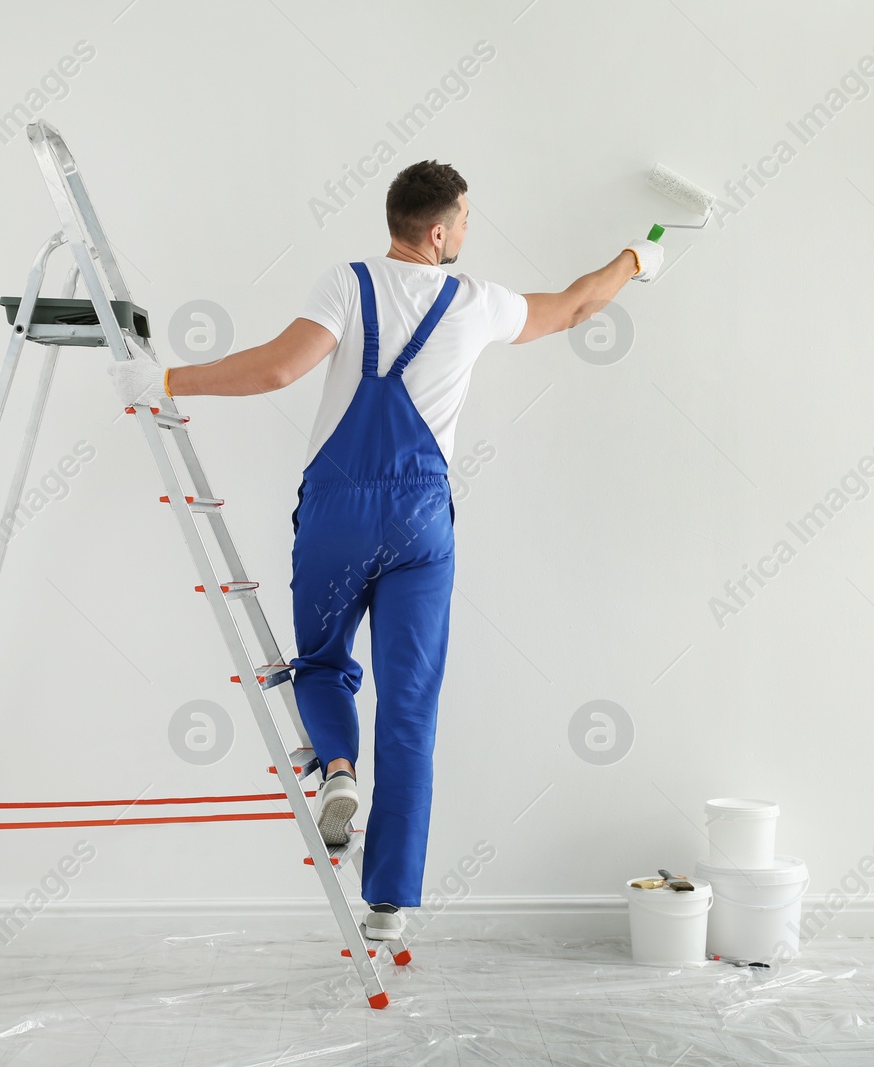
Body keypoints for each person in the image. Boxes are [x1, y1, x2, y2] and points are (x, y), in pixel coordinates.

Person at [110, 160, 665, 942]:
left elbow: (276, 367)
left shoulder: (347, 283)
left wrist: (164, 376)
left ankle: (338, 770)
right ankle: (388, 903)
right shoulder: (475, 302)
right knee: (410, 706)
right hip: (419, 522)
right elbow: (576, 305)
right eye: (466, 217)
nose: (470, 229)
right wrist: (637, 260)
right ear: (438, 232)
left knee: (323, 662)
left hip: (337, 510)